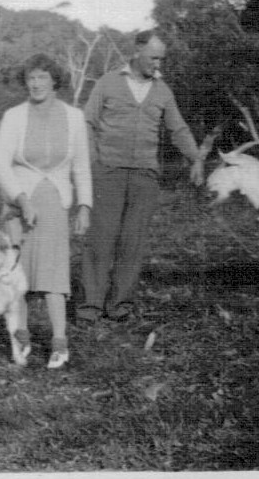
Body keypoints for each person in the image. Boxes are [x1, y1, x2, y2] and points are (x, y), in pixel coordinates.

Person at [78, 30, 204, 325]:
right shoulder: (108, 83)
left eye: (161, 59)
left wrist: (195, 158)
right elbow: (87, 123)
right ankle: (90, 308)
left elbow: (178, 129)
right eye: (152, 57)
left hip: (145, 175)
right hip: (107, 172)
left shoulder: (163, 91)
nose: (157, 64)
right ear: (136, 52)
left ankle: (120, 305)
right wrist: (93, 162)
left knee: (132, 242)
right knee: (101, 241)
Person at [0, 53, 91, 369]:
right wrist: (21, 200)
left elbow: (81, 166)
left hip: (56, 202)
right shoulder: (14, 116)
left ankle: (59, 342)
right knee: (16, 272)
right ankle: (20, 335)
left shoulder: (74, 117)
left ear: (55, 81)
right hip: (18, 201)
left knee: (53, 274)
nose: (35, 84)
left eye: (42, 78)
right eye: (31, 78)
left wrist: (85, 205)